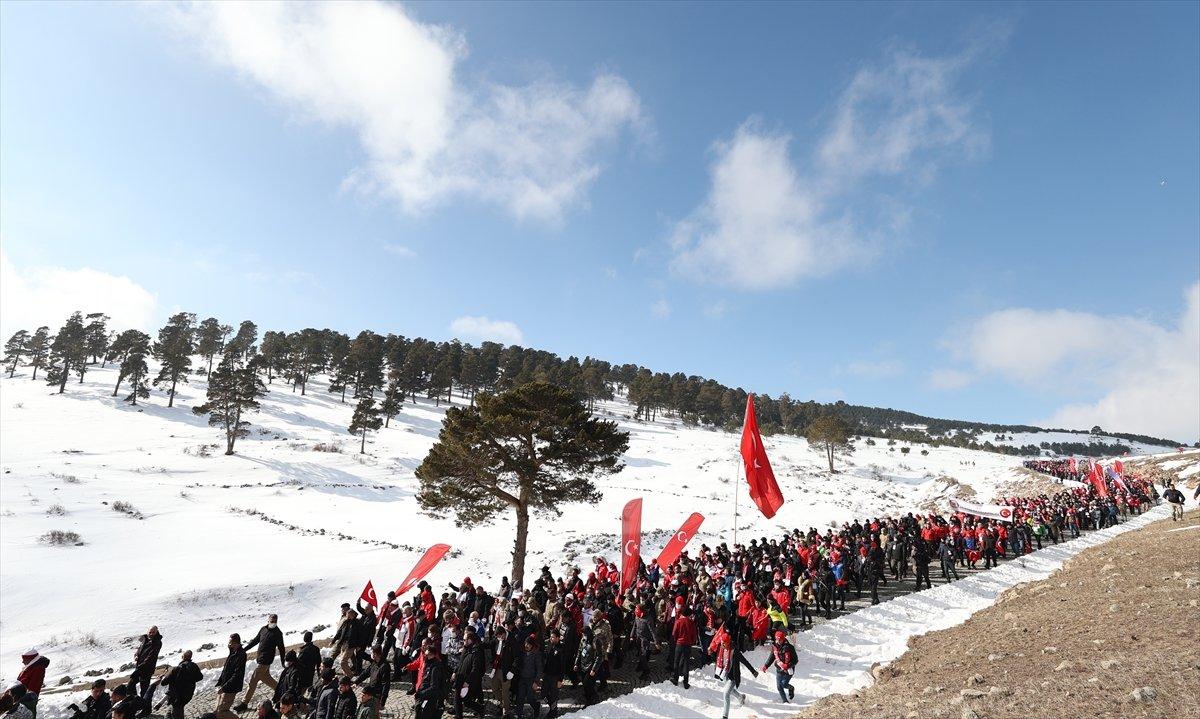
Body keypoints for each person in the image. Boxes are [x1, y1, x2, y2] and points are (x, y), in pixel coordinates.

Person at [708, 619, 757, 719]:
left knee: (726, 694)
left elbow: (745, 661)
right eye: (721, 643)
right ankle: (741, 697)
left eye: (724, 644)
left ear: (728, 642)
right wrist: (711, 653)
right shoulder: (721, 648)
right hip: (724, 673)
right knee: (730, 690)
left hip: (733, 676)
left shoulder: (734, 651)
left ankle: (725, 716)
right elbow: (717, 658)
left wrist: (753, 671)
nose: (722, 645)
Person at [236, 615, 286, 712]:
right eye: (272, 621)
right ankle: (281, 690)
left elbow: (281, 648)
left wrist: (283, 661)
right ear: (268, 621)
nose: (273, 623)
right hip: (260, 659)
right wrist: (244, 650)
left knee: (253, 680)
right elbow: (255, 641)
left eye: (275, 621)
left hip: (265, 661)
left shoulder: (278, 633)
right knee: (266, 678)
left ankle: (244, 703)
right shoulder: (263, 629)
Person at [451, 632, 485, 719]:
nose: (463, 641)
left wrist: (468, 681)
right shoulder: (466, 649)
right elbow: (461, 662)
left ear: (470, 640)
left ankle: (480, 708)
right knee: (457, 698)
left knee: (467, 701)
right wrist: (455, 672)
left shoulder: (476, 652)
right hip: (460, 677)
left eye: (465, 639)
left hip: (468, 680)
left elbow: (475, 669)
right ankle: (459, 716)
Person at [160, 651, 202, 719]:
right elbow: (200, 677)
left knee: (177, 711)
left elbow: (163, 682)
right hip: (188, 694)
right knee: (173, 710)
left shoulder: (176, 669)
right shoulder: (194, 666)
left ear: (183, 657)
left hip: (177, 697)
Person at [125, 630, 159, 714]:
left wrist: (140, 667)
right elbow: (139, 649)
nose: (151, 634)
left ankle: (146, 709)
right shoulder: (145, 639)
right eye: (150, 632)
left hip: (146, 670)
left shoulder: (157, 643)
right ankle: (136, 704)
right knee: (130, 685)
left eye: (153, 632)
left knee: (144, 690)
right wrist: (136, 655)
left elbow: (150, 657)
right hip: (139, 667)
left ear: (156, 633)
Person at [214, 634, 247, 719]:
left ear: (236, 643)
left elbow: (236, 675)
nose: (229, 645)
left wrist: (224, 687)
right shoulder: (232, 652)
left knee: (222, 712)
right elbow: (226, 668)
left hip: (231, 688)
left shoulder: (241, 655)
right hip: (225, 685)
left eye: (230, 643)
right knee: (217, 710)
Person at [761, 631, 797, 703]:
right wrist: (766, 665)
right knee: (779, 687)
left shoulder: (789, 647)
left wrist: (787, 665)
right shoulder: (775, 647)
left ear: (783, 639)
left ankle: (791, 688)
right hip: (779, 668)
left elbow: (795, 660)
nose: (778, 641)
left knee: (784, 684)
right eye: (777, 639)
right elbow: (772, 657)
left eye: (780, 640)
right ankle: (785, 701)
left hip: (788, 670)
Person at [489, 626, 516, 719]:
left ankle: (506, 712)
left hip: (506, 670)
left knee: (505, 692)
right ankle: (501, 704)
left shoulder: (512, 639)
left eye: (500, 636)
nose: (498, 638)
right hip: (496, 668)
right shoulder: (497, 638)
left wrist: (512, 670)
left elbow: (517, 657)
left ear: (504, 634)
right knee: (494, 687)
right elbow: (490, 644)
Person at [413, 647, 446, 719]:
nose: (425, 656)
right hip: (425, 695)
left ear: (432, 655)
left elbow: (434, 686)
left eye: (427, 655)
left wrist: (421, 694)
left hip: (430, 699)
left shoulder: (436, 668)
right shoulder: (429, 664)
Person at [514, 638, 543, 719]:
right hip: (522, 678)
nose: (526, 646)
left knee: (530, 698)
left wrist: (536, 681)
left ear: (532, 645)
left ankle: (536, 706)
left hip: (531, 679)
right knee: (520, 697)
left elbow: (539, 668)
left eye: (529, 644)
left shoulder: (536, 654)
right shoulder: (522, 652)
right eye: (526, 644)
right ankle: (519, 714)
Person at [670, 606, 698, 689]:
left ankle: (675, 679)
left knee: (676, 661)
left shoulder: (678, 621)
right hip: (688, 645)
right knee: (686, 663)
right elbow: (694, 635)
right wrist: (691, 642)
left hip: (679, 644)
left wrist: (675, 641)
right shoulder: (691, 622)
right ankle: (686, 682)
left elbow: (674, 633)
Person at [540, 631, 566, 718]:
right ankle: (552, 706)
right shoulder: (549, 645)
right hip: (547, 674)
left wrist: (560, 680)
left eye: (553, 637)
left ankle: (553, 712)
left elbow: (563, 666)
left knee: (554, 696)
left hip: (555, 677)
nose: (551, 639)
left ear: (558, 638)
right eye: (551, 637)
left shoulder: (561, 649)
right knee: (543, 694)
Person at [16, 650, 49, 716]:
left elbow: (34, 686)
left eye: (24, 660)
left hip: (28, 699)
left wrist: (26, 698)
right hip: (22, 697)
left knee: (27, 715)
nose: (22, 661)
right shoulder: (30, 667)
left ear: (31, 659)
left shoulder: (38, 669)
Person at [573, 628, 600, 708]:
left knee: (588, 684)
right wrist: (576, 664)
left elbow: (599, 656)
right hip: (583, 665)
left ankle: (590, 700)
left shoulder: (595, 642)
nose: (583, 636)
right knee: (585, 684)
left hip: (590, 667)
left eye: (584, 634)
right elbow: (579, 651)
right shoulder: (583, 640)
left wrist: (594, 669)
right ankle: (591, 695)